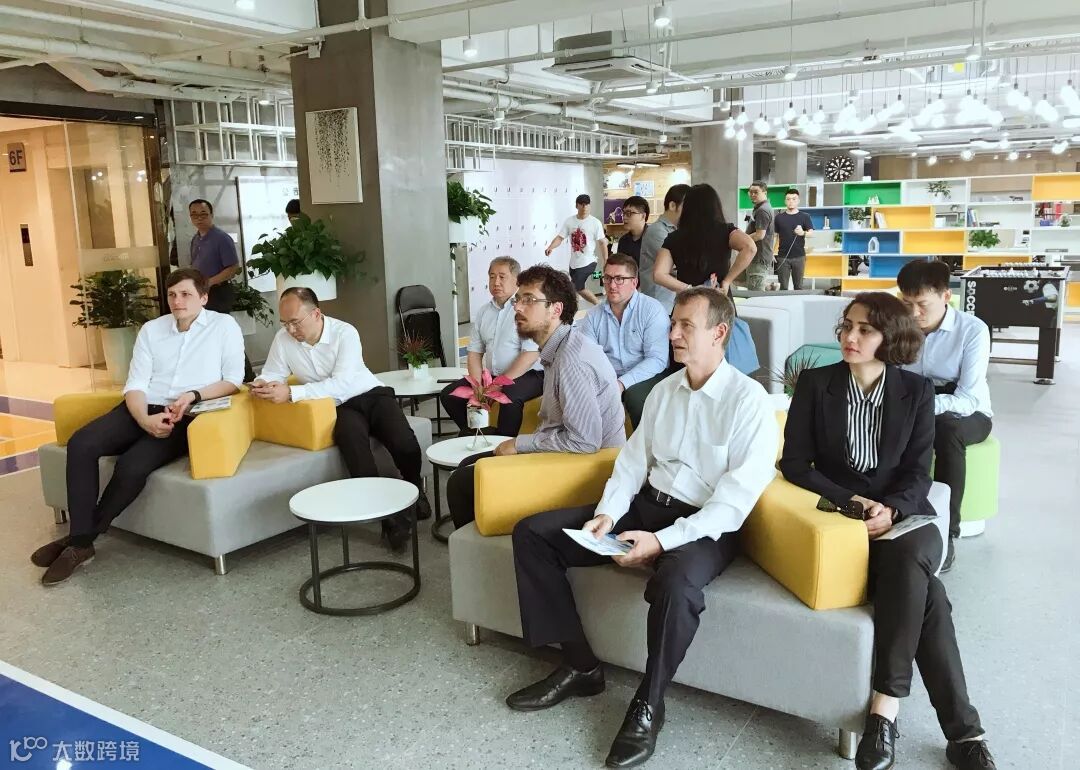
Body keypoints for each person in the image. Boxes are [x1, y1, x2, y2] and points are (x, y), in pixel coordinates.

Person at [506, 288, 779, 768]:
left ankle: (649, 702)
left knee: (676, 582)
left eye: (686, 325)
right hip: (647, 507)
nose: (673, 334)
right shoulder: (662, 392)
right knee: (533, 534)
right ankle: (580, 665)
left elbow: (732, 505)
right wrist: (608, 515)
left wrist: (661, 542)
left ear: (719, 332)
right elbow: (632, 465)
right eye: (673, 323)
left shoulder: (748, 402)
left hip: (705, 525)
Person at [779, 292, 996, 770]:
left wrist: (892, 510)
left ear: (891, 338)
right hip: (840, 518)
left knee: (907, 558)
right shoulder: (816, 384)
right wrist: (851, 501)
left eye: (865, 329)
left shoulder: (915, 391)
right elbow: (793, 463)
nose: (849, 336)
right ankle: (963, 732)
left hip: (905, 517)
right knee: (929, 595)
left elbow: (919, 473)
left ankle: (883, 712)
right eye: (846, 326)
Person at [31, 269, 244, 585]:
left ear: (203, 297)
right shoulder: (152, 330)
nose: (177, 301)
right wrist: (144, 418)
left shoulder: (224, 327)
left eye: (186, 294)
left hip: (184, 414)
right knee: (81, 444)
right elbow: (136, 384)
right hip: (140, 408)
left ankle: (80, 540)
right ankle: (80, 540)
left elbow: (233, 380)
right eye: (172, 295)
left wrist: (192, 395)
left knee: (132, 466)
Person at [446, 264, 625, 530]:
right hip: (565, 455)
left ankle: (487, 544)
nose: (517, 307)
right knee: (468, 465)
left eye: (529, 300)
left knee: (461, 483)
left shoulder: (572, 360)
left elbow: (584, 441)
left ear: (556, 309)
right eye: (518, 299)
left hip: (582, 468)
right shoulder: (559, 348)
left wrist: (520, 444)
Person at [251, 287, 431, 551]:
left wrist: (291, 393)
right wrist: (262, 384)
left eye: (295, 322)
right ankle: (388, 519)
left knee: (403, 442)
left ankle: (415, 488)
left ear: (316, 314)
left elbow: (342, 383)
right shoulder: (283, 339)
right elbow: (273, 372)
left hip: (370, 394)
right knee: (353, 449)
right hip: (339, 406)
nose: (290, 329)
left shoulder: (345, 333)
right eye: (284, 323)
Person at [897, 259, 992, 572]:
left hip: (968, 412)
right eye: (906, 303)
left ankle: (947, 531)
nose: (913, 313)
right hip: (917, 404)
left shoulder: (972, 330)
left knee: (947, 430)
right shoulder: (901, 326)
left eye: (922, 304)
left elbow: (968, 398)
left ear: (945, 296)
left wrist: (922, 407)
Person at [439, 257, 544, 437]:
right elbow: (474, 352)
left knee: (510, 395)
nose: (496, 282)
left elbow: (530, 355)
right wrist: (478, 385)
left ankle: (503, 443)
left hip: (530, 374)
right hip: (493, 376)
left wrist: (499, 384)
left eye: (502, 277)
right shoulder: (483, 312)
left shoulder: (524, 309)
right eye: (492, 276)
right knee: (450, 395)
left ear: (516, 280)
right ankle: (478, 434)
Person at [578, 253, 668, 429]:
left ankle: (644, 446)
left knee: (636, 399)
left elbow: (657, 359)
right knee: (578, 394)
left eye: (619, 279)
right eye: (608, 278)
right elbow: (588, 358)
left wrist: (621, 383)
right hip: (607, 375)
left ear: (634, 282)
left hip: (646, 373)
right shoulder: (593, 316)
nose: (612, 285)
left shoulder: (651, 310)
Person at [188, 198, 254, 381]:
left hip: (219, 293)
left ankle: (248, 376)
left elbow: (232, 268)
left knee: (223, 334)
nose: (199, 218)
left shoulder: (221, 238)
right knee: (208, 335)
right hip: (202, 294)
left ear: (211, 215)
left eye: (203, 214)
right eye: (194, 214)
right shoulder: (195, 239)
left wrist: (209, 282)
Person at [652, 183, 756, 296]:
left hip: (688, 301)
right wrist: (727, 281)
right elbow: (750, 248)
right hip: (719, 300)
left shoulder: (674, 238)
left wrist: (689, 289)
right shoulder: (726, 231)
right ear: (715, 206)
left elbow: (659, 274)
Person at [545, 194, 609, 306]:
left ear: (590, 206)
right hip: (574, 263)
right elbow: (560, 237)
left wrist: (606, 260)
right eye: (582, 204)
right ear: (576, 206)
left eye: (587, 205)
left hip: (589, 261)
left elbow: (602, 243)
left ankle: (597, 306)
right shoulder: (570, 221)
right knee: (578, 288)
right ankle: (587, 307)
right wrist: (551, 247)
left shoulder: (595, 223)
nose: (584, 207)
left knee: (575, 287)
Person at [638, 184, 688, 313]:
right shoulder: (657, 231)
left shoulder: (677, 231)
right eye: (687, 206)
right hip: (659, 302)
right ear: (672, 206)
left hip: (671, 300)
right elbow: (678, 264)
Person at [773, 188, 814, 290]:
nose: (791, 201)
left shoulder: (805, 216)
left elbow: (811, 233)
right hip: (782, 257)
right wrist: (771, 252)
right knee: (783, 288)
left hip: (799, 256)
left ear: (798, 201)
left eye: (794, 199)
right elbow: (775, 236)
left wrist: (803, 233)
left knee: (798, 287)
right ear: (785, 201)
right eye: (788, 199)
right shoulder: (779, 218)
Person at [744, 181, 776, 291]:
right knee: (740, 279)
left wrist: (742, 240)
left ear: (764, 192)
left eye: (756, 192)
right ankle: (768, 287)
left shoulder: (763, 210)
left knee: (754, 292)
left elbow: (759, 235)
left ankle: (766, 287)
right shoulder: (761, 208)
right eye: (751, 192)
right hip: (757, 256)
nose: (752, 195)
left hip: (758, 258)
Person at [616, 196, 650, 265]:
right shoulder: (623, 241)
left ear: (643, 216)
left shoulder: (654, 238)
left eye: (629, 213)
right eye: (623, 213)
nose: (624, 217)